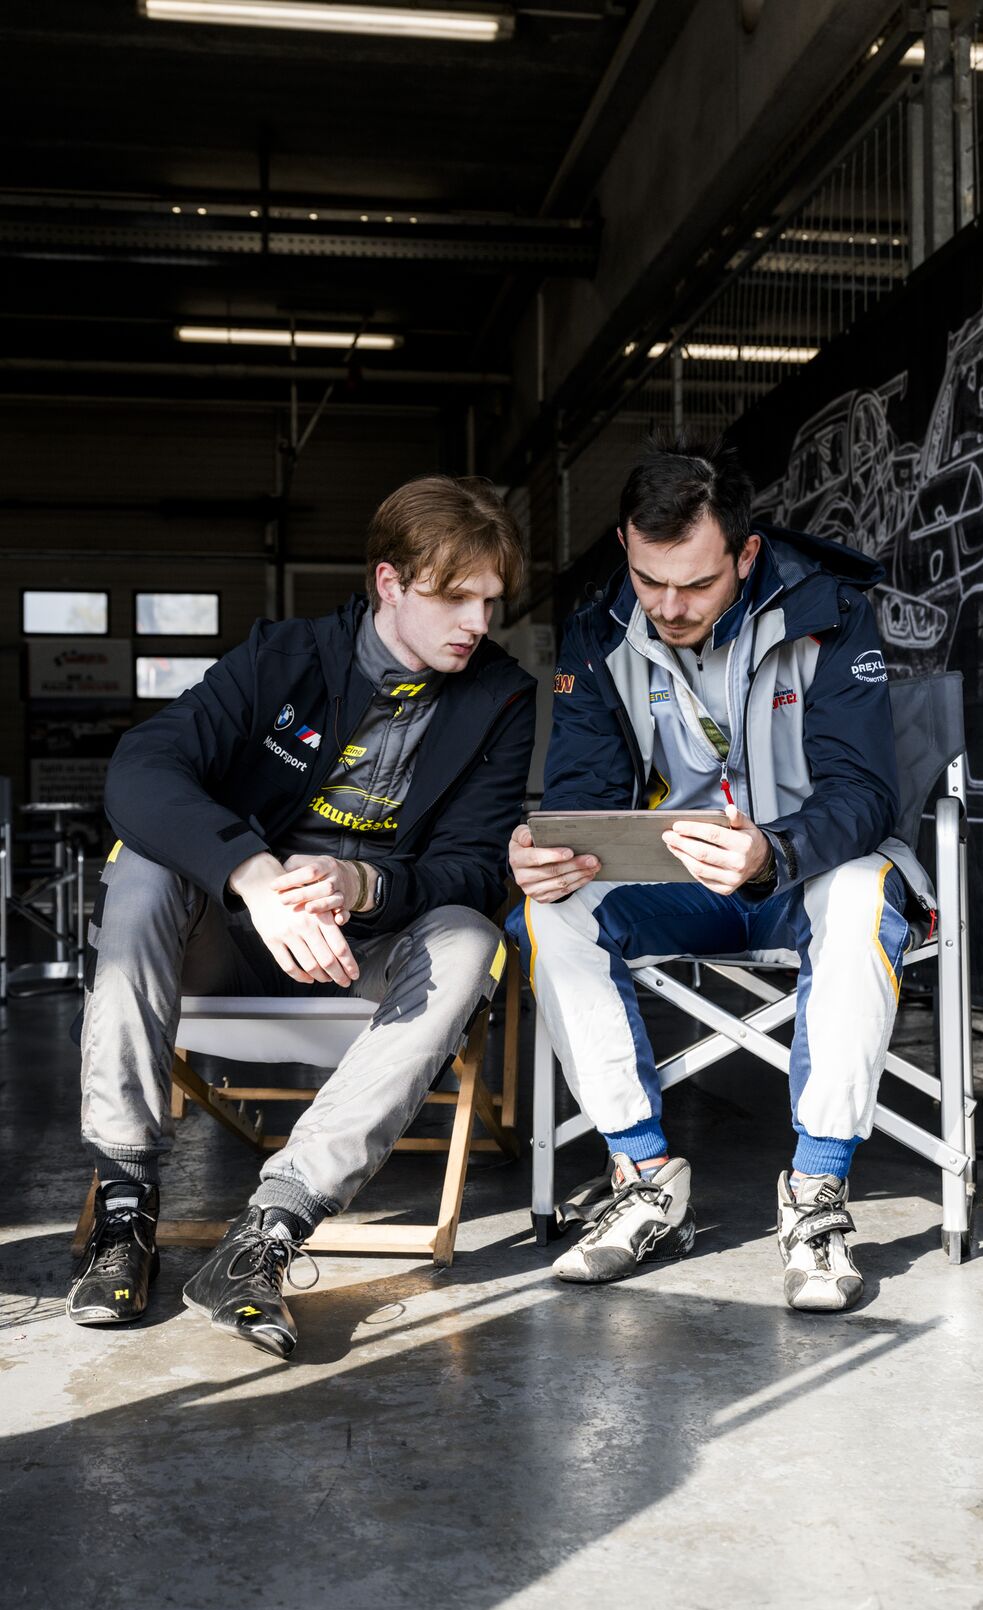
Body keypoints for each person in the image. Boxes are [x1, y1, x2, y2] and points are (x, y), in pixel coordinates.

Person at [68, 475, 535, 1358]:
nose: (478, 622)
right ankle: (124, 1209)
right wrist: (253, 876)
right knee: (143, 868)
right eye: (455, 597)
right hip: (232, 939)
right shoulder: (284, 658)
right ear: (390, 582)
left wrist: (364, 886)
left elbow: (477, 868)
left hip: (367, 953)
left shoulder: (498, 697)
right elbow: (142, 768)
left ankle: (266, 1236)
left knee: (473, 937)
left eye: (490, 601)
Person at [507, 438, 933, 1310]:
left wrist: (772, 852)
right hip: (680, 886)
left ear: (745, 554)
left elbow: (864, 794)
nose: (668, 606)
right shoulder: (596, 630)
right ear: (625, 545)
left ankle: (816, 1196)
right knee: (549, 912)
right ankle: (645, 1181)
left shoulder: (831, 612)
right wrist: (551, 850)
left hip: (806, 877)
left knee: (863, 892)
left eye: (697, 584)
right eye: (649, 579)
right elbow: (585, 794)